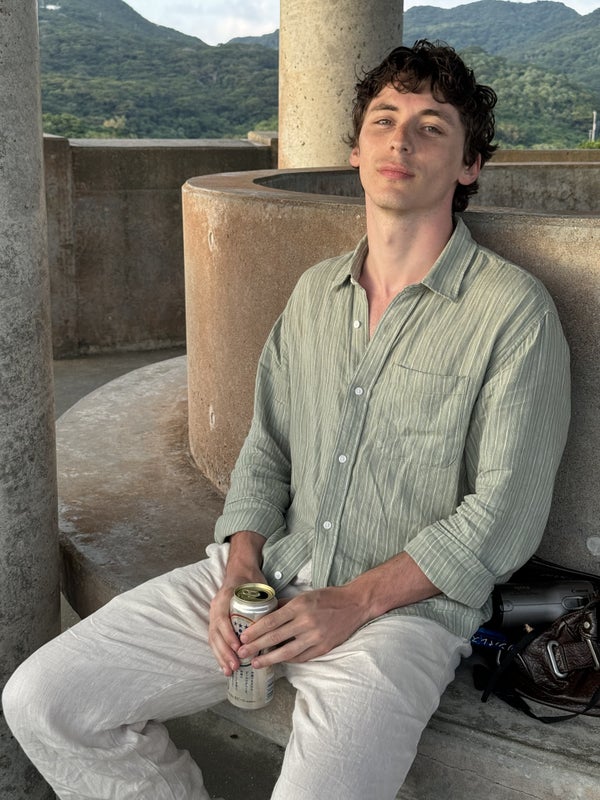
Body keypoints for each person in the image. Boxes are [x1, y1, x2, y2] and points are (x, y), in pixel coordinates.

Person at [3, 39, 570, 799]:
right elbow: (266, 449)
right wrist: (239, 562)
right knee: (45, 700)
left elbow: (505, 514)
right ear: (356, 150)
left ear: (469, 165)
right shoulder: (313, 296)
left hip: (400, 619)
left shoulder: (512, 312)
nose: (400, 140)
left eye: (431, 126)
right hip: (269, 580)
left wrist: (355, 601)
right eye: (383, 120)